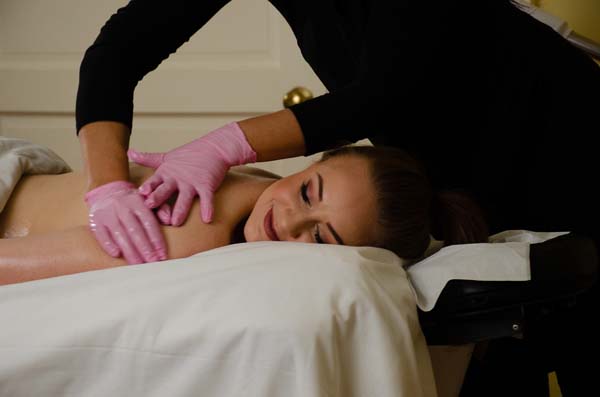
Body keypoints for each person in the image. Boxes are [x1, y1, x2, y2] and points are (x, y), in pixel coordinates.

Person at [76, 0, 599, 394]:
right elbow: (119, 49)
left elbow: (389, 88)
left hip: (570, 152)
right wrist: (106, 186)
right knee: (483, 361)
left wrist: (227, 143)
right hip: (457, 190)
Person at [0, 145, 437, 286]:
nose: (287, 222)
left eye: (321, 238)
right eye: (306, 192)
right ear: (311, 163)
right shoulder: (194, 231)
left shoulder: (262, 187)